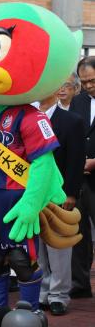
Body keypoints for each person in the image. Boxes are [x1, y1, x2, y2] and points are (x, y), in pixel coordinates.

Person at [33, 92, 85, 315]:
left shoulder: (71, 121)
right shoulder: (27, 117)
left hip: (58, 192)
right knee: (38, 246)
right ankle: (43, 292)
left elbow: (76, 158)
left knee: (59, 246)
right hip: (32, 193)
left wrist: (71, 193)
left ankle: (59, 295)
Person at [68, 56, 95, 299]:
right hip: (79, 181)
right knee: (78, 233)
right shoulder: (77, 103)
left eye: (92, 81)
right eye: (84, 82)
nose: (88, 86)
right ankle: (79, 282)